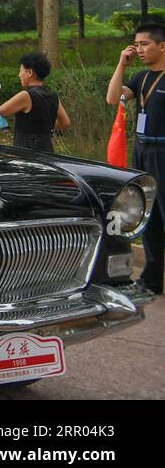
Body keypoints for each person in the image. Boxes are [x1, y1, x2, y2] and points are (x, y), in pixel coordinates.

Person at [105, 22, 165, 294]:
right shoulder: (141, 77)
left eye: (145, 44)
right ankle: (151, 280)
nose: (138, 49)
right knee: (149, 215)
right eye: (136, 44)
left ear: (162, 45)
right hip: (142, 149)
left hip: (163, 150)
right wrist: (122, 66)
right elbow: (112, 98)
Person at [0, 51, 70, 152]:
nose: (19, 75)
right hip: (47, 149)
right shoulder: (53, 96)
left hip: (27, 150)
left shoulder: (26, 95)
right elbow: (65, 123)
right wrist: (42, 123)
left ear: (30, 73)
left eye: (21, 71)